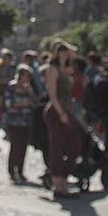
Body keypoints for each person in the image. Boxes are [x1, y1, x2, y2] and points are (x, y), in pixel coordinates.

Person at [41, 40, 82, 200]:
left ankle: (63, 179)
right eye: (61, 51)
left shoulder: (67, 68)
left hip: (68, 110)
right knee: (57, 147)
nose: (65, 53)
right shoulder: (53, 69)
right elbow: (52, 94)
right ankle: (59, 185)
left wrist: (67, 47)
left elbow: (77, 53)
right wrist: (61, 113)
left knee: (74, 146)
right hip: (57, 111)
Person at [4, 65, 38, 184]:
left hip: (26, 121)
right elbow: (9, 103)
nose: (28, 79)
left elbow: (35, 102)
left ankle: (21, 170)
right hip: (14, 121)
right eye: (26, 76)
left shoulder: (28, 88)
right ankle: (12, 170)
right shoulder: (11, 87)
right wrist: (24, 102)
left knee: (23, 147)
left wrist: (30, 94)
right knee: (15, 146)